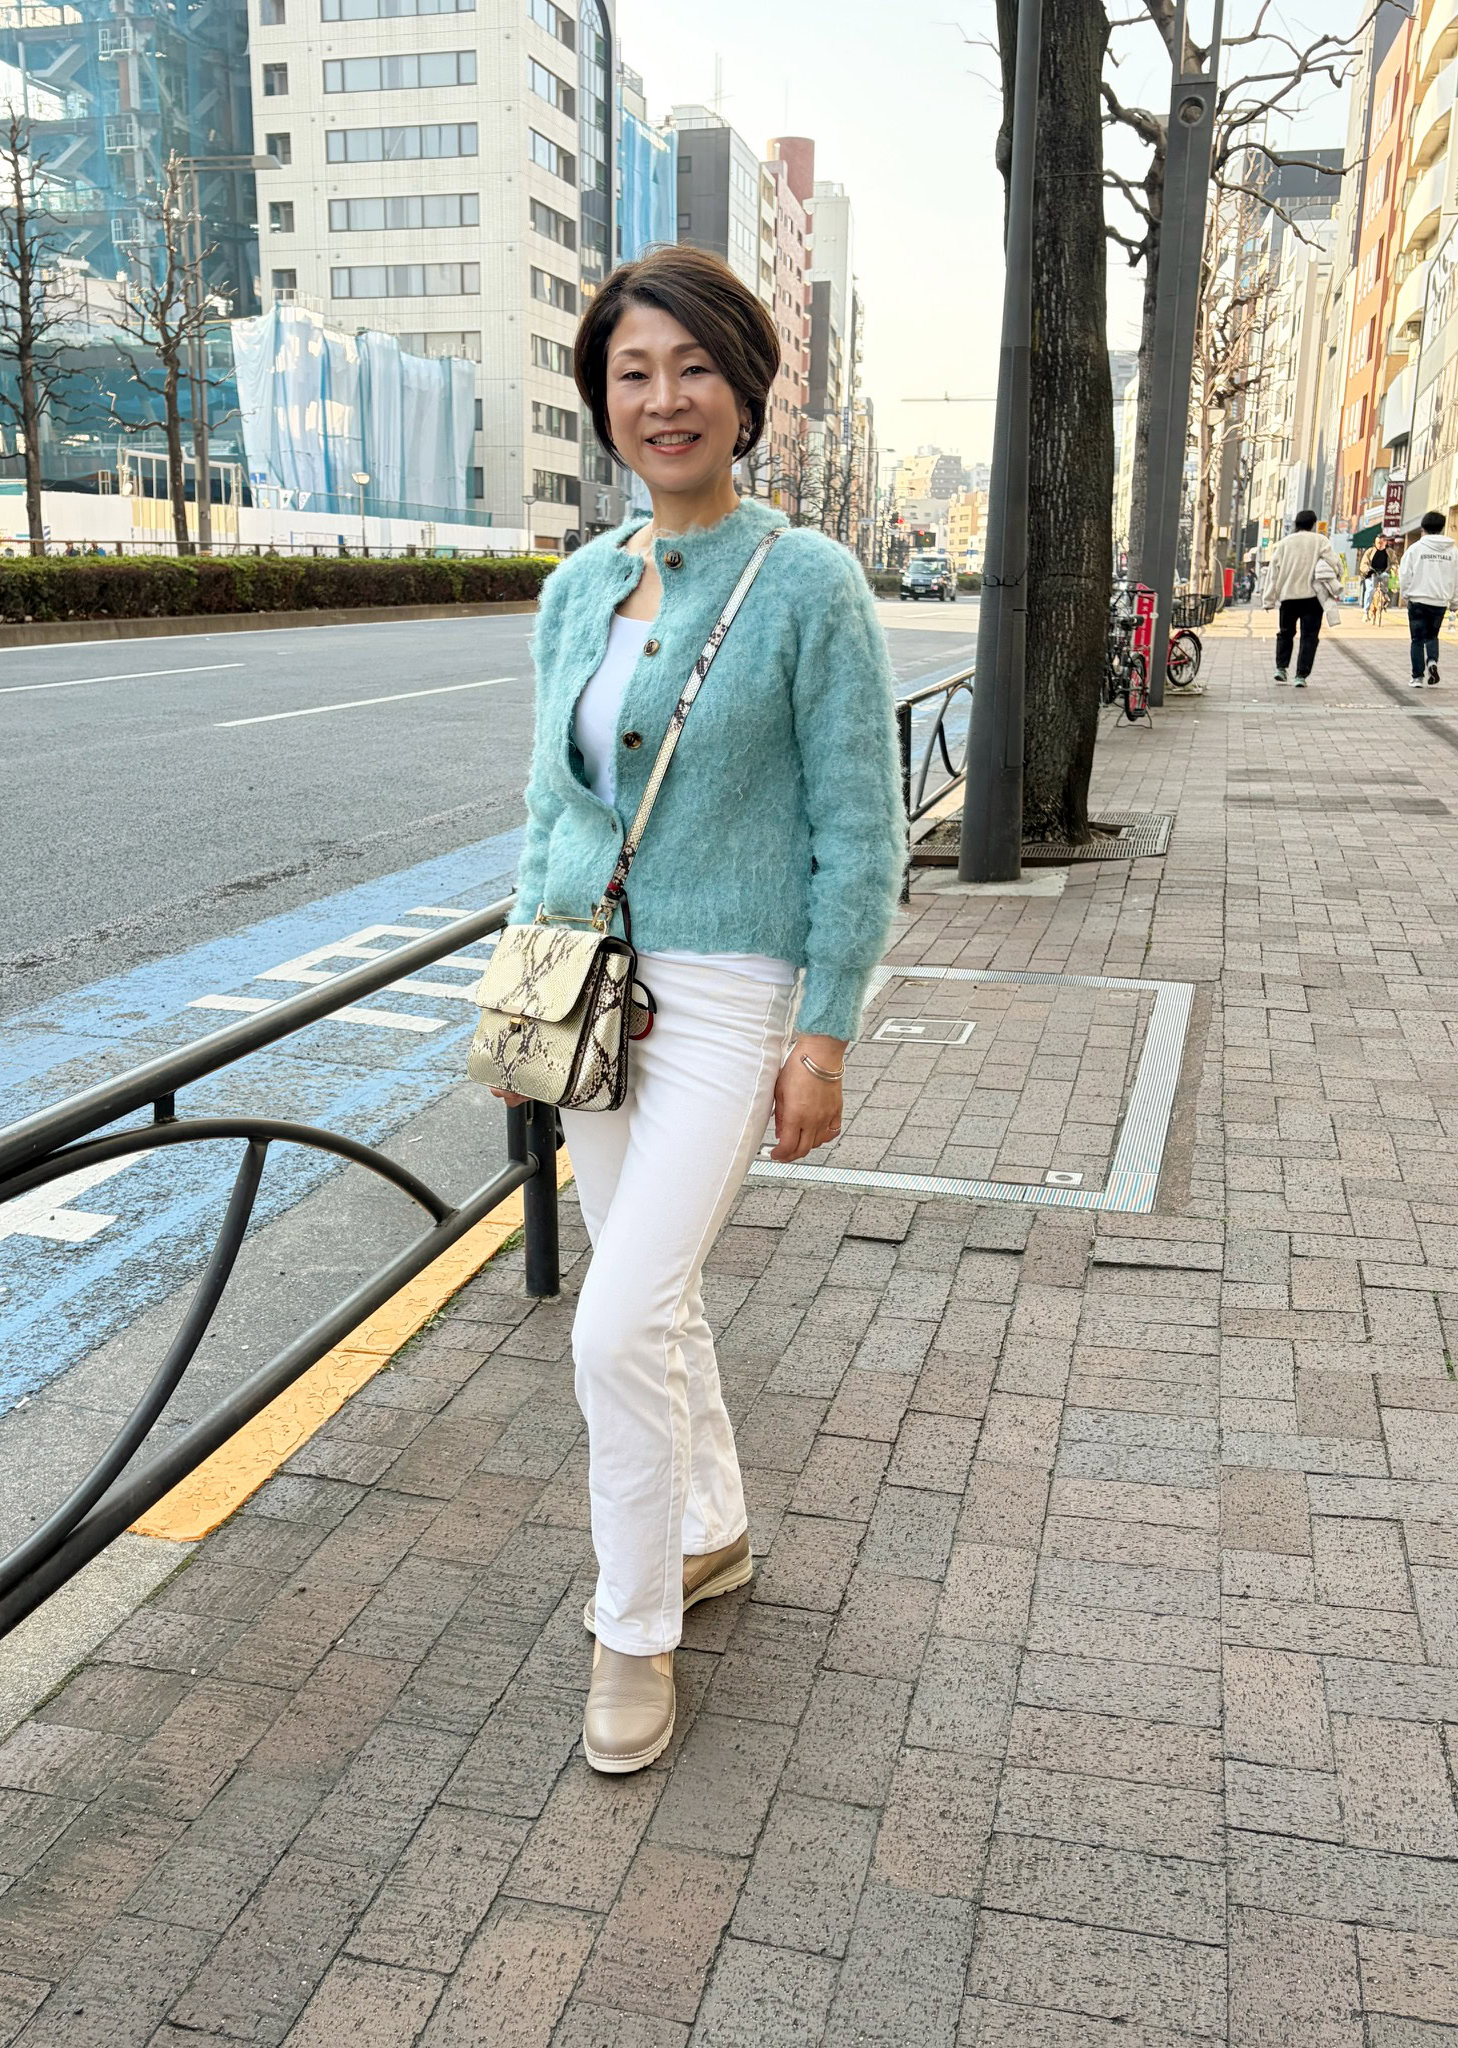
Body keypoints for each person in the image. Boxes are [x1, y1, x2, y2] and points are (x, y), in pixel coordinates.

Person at [492, 245, 905, 1774]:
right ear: (602, 399)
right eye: (632, 373)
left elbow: (858, 827)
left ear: (744, 389)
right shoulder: (577, 590)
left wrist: (826, 1033)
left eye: (692, 369)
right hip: (592, 994)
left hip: (730, 998)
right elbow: (552, 809)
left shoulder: (807, 585)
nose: (663, 399)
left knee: (615, 1324)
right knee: (650, 1301)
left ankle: (635, 1624)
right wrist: (524, 994)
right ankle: (710, 1526)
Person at [1260, 508, 1340, 687]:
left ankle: (1281, 668)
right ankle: (1301, 676)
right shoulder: (1321, 541)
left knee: (1285, 633)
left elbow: (1273, 573)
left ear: (1296, 523)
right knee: (1309, 637)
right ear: (1313, 524)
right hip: (1312, 598)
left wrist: (1269, 599)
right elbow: (1333, 564)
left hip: (1288, 596)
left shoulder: (1285, 543)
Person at [1397, 509, 1458, 685]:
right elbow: (1456, 578)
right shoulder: (1453, 551)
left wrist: (1406, 593)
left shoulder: (1415, 549)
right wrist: (1454, 601)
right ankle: (1432, 661)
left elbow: (1405, 574)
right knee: (1432, 636)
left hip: (1418, 599)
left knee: (1417, 639)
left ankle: (1417, 677)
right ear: (1442, 527)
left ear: (1423, 527)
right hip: (1440, 600)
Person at [1363, 540, 1391, 614]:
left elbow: (1394, 563)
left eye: (1383, 542)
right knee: (1370, 590)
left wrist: (1394, 569)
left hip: (1384, 573)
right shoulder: (1370, 551)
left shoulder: (1389, 552)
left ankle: (1385, 600)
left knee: (1386, 586)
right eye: (1379, 542)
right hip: (1371, 573)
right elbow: (1364, 563)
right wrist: (1366, 569)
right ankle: (1366, 611)